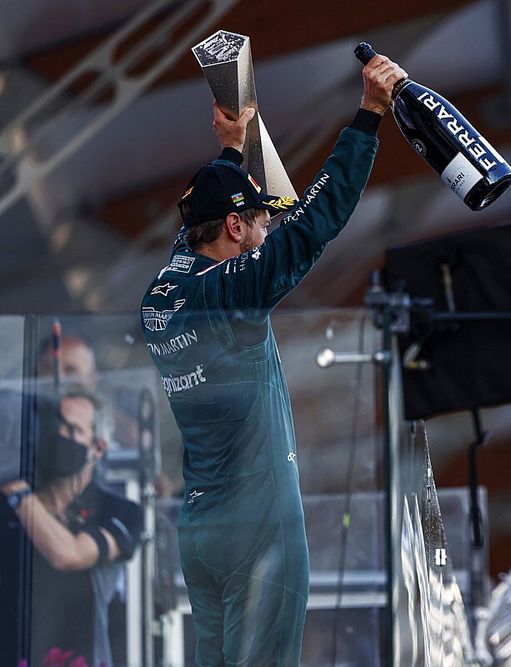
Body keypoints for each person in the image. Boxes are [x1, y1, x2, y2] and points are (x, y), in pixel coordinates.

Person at [139, 54, 406, 665]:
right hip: (259, 527)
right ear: (235, 227)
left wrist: (232, 151)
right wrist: (368, 117)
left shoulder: (165, 290)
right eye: (259, 222)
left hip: (202, 530)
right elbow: (317, 223)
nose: (267, 231)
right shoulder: (234, 289)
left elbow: (196, 229)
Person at [0, 386, 142, 667]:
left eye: (72, 429)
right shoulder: (10, 505)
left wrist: (14, 487)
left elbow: (68, 555)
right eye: (55, 426)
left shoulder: (122, 511)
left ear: (98, 447)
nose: (60, 436)